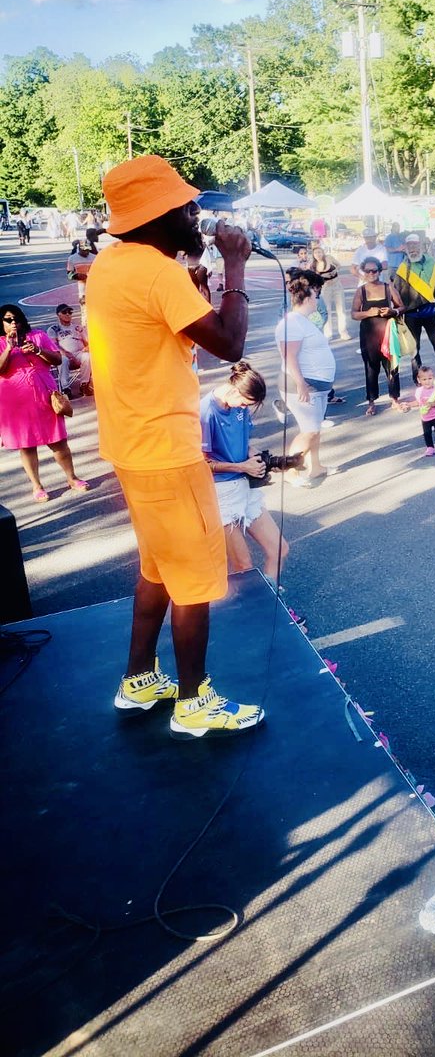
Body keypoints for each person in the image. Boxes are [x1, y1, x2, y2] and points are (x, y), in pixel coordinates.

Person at [87, 154, 263, 738]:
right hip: (167, 448)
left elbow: (158, 334)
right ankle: (194, 701)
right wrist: (235, 267)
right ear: (158, 214)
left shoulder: (112, 264)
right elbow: (229, 342)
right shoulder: (156, 272)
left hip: (131, 445)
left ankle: (139, 679)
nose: (195, 213)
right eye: (185, 205)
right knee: (193, 578)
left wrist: (198, 283)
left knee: (158, 567)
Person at [200, 361, 289, 583]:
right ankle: (252, 611)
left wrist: (265, 460)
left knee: (279, 549)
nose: (243, 408)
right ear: (233, 388)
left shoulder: (239, 406)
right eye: (243, 403)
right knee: (244, 566)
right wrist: (242, 467)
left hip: (245, 486)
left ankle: (267, 604)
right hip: (222, 494)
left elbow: (244, 443)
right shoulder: (206, 413)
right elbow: (200, 465)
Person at [0, 304, 89, 502]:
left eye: (16, 318)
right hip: (15, 401)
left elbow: (58, 360)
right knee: (27, 445)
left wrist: (38, 350)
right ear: (1, 323)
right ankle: (37, 486)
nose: (13, 322)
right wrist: (8, 348)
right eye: (8, 319)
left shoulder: (38, 336)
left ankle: (72, 478)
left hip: (44, 396)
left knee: (58, 441)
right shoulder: (0, 343)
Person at [275, 271, 337, 482]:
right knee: (309, 432)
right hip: (302, 386)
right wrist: (301, 384)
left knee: (314, 429)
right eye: (316, 296)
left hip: (316, 386)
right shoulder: (292, 322)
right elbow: (289, 356)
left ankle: (316, 466)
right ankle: (290, 469)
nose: (317, 300)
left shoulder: (304, 321)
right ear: (308, 298)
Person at [351, 257, 407, 415]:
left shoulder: (388, 287)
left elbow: (402, 306)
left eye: (374, 270)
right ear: (363, 272)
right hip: (369, 335)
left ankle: (395, 398)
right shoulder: (361, 290)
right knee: (371, 368)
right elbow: (354, 314)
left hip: (388, 334)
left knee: (392, 366)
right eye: (367, 271)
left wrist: (393, 311)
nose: (371, 273)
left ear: (379, 271)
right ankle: (371, 401)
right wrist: (368, 313)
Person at [392, 232, 435, 379]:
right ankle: (419, 378)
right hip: (411, 314)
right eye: (409, 246)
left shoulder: (433, 263)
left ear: (421, 245)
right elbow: (396, 293)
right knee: (414, 348)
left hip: (430, 310)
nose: (413, 249)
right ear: (405, 248)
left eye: (415, 245)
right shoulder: (402, 268)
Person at [47, 303, 92, 397]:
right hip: (63, 354)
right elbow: (53, 345)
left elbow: (88, 341)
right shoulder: (54, 329)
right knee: (63, 359)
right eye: (64, 312)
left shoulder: (78, 328)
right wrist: (65, 353)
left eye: (70, 312)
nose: (68, 314)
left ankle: (84, 385)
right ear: (58, 314)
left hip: (78, 353)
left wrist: (87, 347)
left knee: (87, 356)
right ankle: (66, 388)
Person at [309, 244, 350, 340]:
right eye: (316, 253)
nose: (318, 254)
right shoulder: (313, 265)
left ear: (323, 252)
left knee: (341, 309)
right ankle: (328, 333)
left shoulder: (329, 258)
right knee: (327, 310)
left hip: (337, 285)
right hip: (325, 287)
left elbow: (339, 265)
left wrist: (335, 270)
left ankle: (343, 332)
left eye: (319, 252)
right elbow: (313, 278)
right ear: (313, 255)